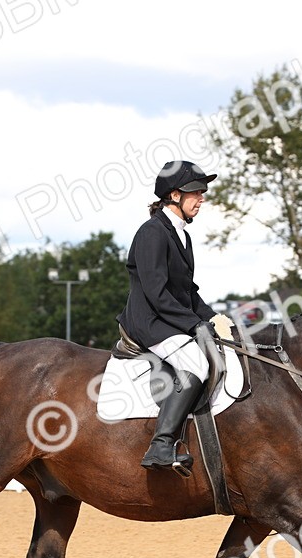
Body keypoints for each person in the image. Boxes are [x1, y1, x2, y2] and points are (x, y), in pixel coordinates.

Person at [117, 160, 218, 474]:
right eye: (195, 192)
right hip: (148, 322)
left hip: (167, 319)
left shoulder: (182, 236)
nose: (201, 198)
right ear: (174, 195)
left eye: (202, 191)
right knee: (197, 363)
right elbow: (158, 293)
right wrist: (194, 324)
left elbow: (187, 291)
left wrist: (214, 319)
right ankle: (160, 445)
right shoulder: (152, 233)